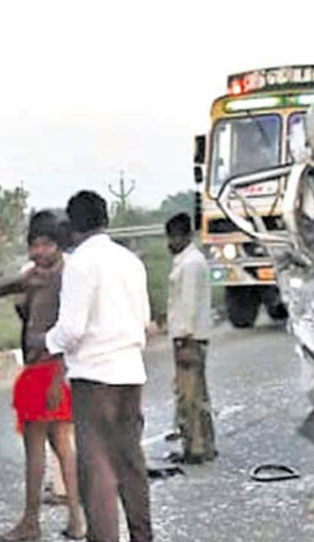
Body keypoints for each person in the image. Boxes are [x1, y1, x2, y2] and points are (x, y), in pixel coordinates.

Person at [42, 191, 152, 542]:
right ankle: (142, 535)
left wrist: (49, 341)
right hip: (131, 373)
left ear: (72, 226)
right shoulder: (130, 261)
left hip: (94, 377)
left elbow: (72, 329)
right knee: (131, 463)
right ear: (105, 219)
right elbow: (145, 318)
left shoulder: (80, 263)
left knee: (98, 468)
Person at [0, 212, 84, 542]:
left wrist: (56, 379)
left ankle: (31, 522)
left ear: (58, 245)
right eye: (34, 245)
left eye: (45, 245)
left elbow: (70, 331)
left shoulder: (65, 277)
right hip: (46, 371)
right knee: (62, 448)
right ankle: (76, 520)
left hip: (48, 372)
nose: (38, 251)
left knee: (36, 451)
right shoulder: (35, 276)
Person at [165, 212, 216, 464]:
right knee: (198, 394)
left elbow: (188, 303)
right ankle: (205, 444)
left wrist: (183, 336)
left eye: (172, 238)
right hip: (193, 336)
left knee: (189, 396)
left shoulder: (190, 264)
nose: (169, 244)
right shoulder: (189, 261)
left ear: (183, 236)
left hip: (189, 338)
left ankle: (194, 447)